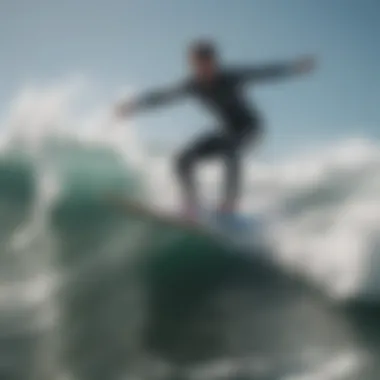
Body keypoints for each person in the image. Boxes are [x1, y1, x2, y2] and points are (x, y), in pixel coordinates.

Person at [115, 40, 316, 221]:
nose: (203, 70)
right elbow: (164, 96)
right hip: (227, 131)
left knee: (230, 149)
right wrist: (135, 106)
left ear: (215, 62)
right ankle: (191, 205)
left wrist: (294, 68)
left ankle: (229, 206)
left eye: (207, 64)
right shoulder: (192, 85)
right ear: (192, 65)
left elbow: (263, 72)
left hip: (251, 128)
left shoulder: (230, 77)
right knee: (183, 159)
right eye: (198, 65)